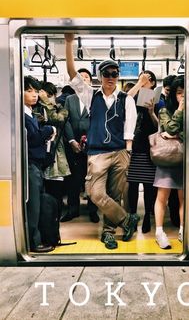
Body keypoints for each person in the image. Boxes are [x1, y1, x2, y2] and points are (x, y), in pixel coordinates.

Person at [65, 33, 139, 250]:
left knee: (115, 194)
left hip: (119, 152)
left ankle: (108, 233)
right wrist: (69, 43)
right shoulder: (90, 96)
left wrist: (127, 152)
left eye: (114, 73)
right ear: (99, 76)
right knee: (95, 193)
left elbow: (130, 128)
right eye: (106, 73)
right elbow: (72, 73)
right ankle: (127, 220)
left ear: (118, 76)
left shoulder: (126, 100)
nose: (111, 77)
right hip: (97, 153)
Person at [61, 67, 99, 223]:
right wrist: (71, 141)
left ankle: (93, 210)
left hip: (93, 145)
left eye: (87, 77)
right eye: (80, 77)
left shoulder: (96, 98)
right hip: (74, 145)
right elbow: (66, 120)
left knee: (93, 179)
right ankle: (73, 209)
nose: (84, 79)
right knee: (74, 180)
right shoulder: (70, 99)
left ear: (91, 81)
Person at [151, 75, 184, 249]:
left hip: (185, 159)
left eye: (186, 93)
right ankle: (159, 232)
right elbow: (169, 128)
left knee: (183, 198)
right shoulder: (164, 110)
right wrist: (180, 110)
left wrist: (177, 134)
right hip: (167, 158)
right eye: (179, 93)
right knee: (162, 196)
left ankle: (183, 230)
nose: (183, 97)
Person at [24, 76, 55, 253]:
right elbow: (33, 138)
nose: (34, 95)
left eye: (36, 91)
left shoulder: (29, 112)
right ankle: (33, 242)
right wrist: (49, 130)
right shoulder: (23, 115)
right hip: (29, 163)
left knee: (35, 202)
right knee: (33, 204)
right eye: (29, 91)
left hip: (35, 163)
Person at [126, 71, 158, 233]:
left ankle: (146, 216)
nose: (143, 81)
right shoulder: (131, 99)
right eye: (141, 78)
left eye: (146, 79)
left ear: (153, 82)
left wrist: (152, 112)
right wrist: (139, 84)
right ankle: (132, 215)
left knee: (148, 186)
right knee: (132, 184)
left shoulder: (157, 100)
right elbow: (126, 99)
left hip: (149, 148)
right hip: (133, 146)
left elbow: (160, 126)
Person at [34, 82, 71, 213]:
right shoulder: (35, 109)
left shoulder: (62, 109)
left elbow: (57, 119)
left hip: (56, 158)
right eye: (44, 95)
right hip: (38, 156)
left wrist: (46, 101)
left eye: (50, 95)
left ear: (55, 95)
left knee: (56, 194)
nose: (47, 98)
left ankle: (54, 221)